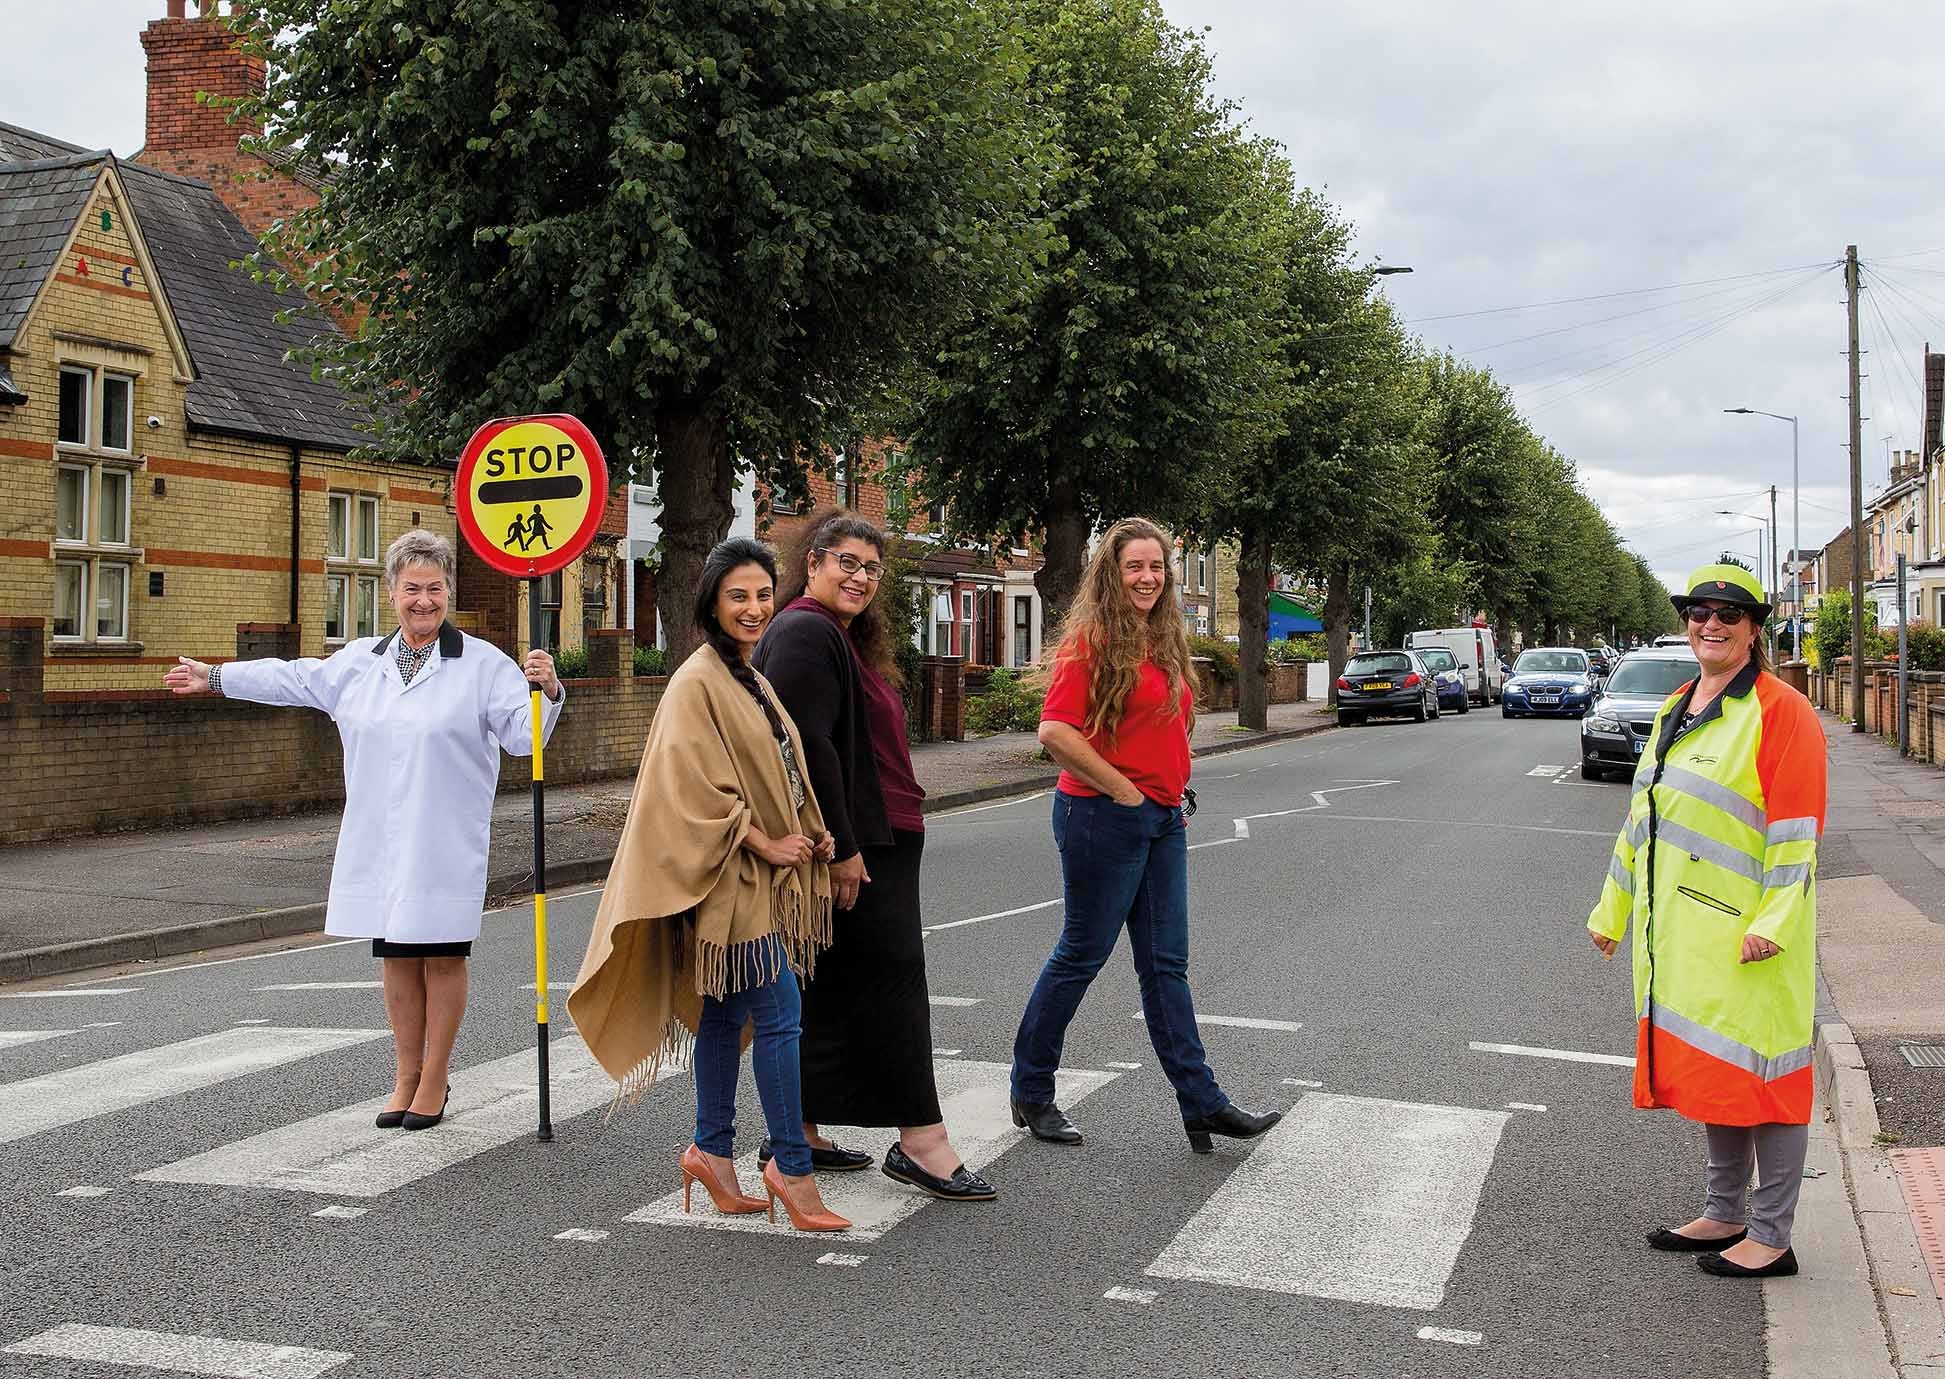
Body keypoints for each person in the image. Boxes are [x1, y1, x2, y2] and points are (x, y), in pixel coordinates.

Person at [163, 529, 562, 1130]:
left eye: (433, 588)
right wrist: (217, 678)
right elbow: (293, 678)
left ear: (448, 590)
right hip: (381, 839)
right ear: (391, 594)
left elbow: (523, 738)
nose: (422, 600)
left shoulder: (482, 665)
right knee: (397, 957)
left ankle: (435, 1078)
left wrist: (548, 690)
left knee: (442, 956)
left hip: (444, 840)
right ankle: (405, 1074)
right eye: (410, 589)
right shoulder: (359, 663)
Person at [568, 538, 846, 1232]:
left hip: (751, 878)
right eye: (738, 596)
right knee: (780, 1012)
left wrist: (808, 830)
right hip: (725, 884)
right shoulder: (696, 679)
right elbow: (688, 788)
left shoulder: (748, 675)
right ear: (711, 604)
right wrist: (763, 839)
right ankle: (790, 1164)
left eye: (761, 595)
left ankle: (710, 1151)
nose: (753, 609)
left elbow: (781, 766)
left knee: (725, 1015)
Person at [1010, 517, 1281, 1153]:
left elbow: (1167, 726)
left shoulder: (1164, 641)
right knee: (1081, 953)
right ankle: (1032, 1090)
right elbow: (1054, 732)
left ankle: (1201, 1102)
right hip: (1102, 817)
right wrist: (1125, 790)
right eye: (1134, 567)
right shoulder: (1092, 643)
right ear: (1112, 572)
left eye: (1156, 567)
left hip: (1161, 821)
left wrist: (1168, 787)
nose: (1148, 578)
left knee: (1167, 967)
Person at [1587, 561, 1825, 1279]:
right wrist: (1612, 909)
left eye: (1727, 613)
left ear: (1754, 628)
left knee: (1769, 1078)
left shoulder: (1782, 711)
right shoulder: (1677, 706)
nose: (1710, 624)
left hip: (1750, 937)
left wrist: (1773, 922)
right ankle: (1723, 1212)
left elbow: (1796, 831)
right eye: (1698, 611)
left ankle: (1771, 1235)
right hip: (1685, 939)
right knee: (1719, 1072)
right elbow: (1643, 821)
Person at [754, 509, 995, 1202]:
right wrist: (843, 847)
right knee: (895, 986)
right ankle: (922, 1141)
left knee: (826, 985)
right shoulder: (804, 629)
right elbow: (809, 747)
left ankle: (795, 1126)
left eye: (870, 568)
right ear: (813, 563)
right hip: (863, 843)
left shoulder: (835, 636)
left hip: (873, 836)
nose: (859, 576)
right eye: (846, 562)